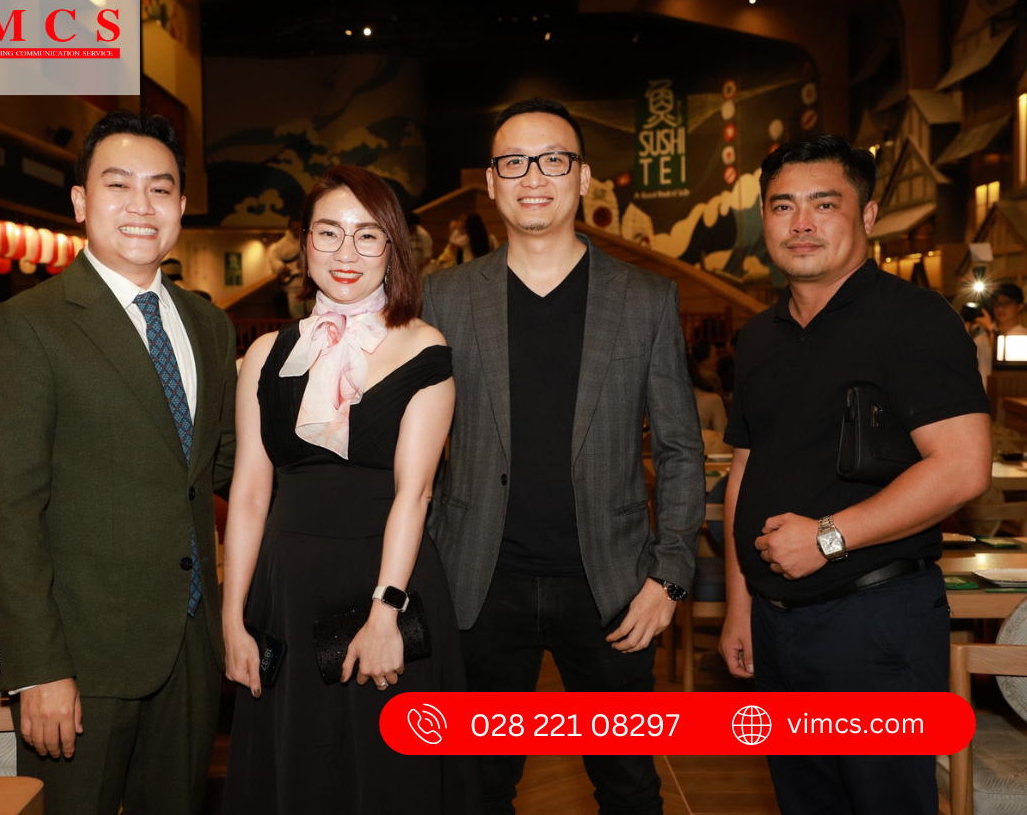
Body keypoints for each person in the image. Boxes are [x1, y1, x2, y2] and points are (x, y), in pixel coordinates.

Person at [422, 97, 704, 814]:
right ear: (491, 182)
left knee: (629, 787)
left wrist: (669, 577)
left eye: (553, 159)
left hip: (613, 586)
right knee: (476, 790)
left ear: (583, 177)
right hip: (478, 584)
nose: (533, 176)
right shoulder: (443, 298)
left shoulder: (645, 298)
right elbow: (406, 448)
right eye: (514, 162)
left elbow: (680, 447)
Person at [0, 111, 238, 815]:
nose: (141, 205)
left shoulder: (208, 324)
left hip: (190, 646)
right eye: (118, 185)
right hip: (79, 658)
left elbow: (219, 466)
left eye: (160, 189)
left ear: (182, 205)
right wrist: (38, 668)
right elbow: (6, 512)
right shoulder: (28, 325)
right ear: (81, 202)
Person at [717, 135, 990, 815]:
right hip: (776, 624)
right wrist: (740, 605)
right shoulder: (760, 335)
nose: (801, 223)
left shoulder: (913, 319)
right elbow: (746, 470)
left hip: (874, 621)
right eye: (783, 206)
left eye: (824, 204)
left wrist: (829, 536)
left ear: (866, 216)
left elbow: (963, 468)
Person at [221, 165, 478, 814]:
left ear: (393, 248)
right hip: (286, 591)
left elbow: (415, 494)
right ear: (305, 242)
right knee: (298, 774)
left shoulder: (423, 348)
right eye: (329, 232)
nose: (346, 252)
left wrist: (385, 613)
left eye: (367, 235)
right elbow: (249, 493)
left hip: (387, 583)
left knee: (391, 778)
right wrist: (232, 618)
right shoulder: (265, 355)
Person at [267, 215, 311, 318]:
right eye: (294, 229)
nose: (297, 231)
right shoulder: (283, 244)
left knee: (313, 311)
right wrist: (281, 267)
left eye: (298, 228)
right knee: (295, 312)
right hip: (292, 286)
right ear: (290, 229)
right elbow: (273, 258)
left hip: (309, 284)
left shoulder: (309, 240)